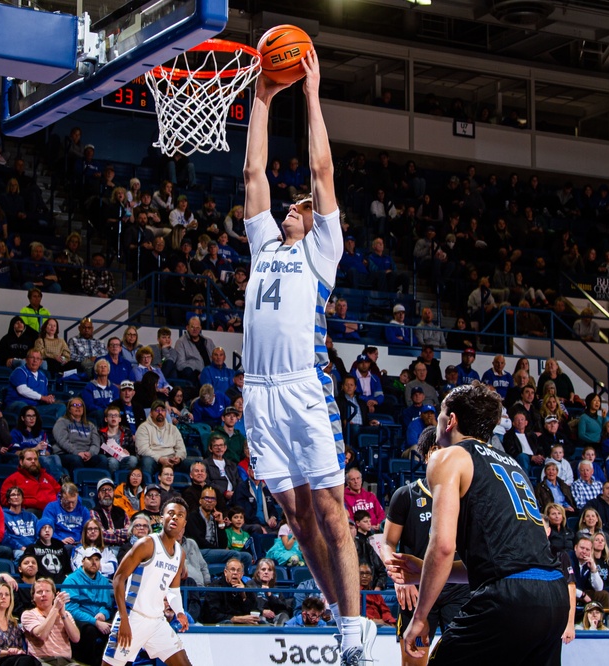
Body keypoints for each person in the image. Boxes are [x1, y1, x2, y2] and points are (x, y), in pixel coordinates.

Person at [241, 49, 376, 666]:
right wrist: (263, 100)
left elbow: (321, 170)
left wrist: (313, 92)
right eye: (289, 205)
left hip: (301, 385)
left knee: (329, 508)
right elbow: (253, 175)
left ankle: (354, 630)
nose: (294, 206)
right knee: (295, 516)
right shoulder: (264, 242)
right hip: (258, 389)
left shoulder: (321, 250)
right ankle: (345, 626)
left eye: (302, 206)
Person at [387, 383, 569, 664]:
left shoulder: (448, 456)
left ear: (451, 420)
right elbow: (502, 562)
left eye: (439, 415)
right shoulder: (512, 464)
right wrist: (424, 570)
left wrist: (420, 617)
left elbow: (443, 546)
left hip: (509, 597)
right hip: (553, 596)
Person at [382, 432, 470, 666]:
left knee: (462, 657)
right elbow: (387, 543)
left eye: (447, 450)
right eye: (436, 450)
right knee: (414, 659)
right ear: (425, 455)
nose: (442, 455)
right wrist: (400, 579)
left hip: (459, 589)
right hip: (418, 590)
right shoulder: (406, 495)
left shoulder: (467, 496)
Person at [102, 498, 193, 666]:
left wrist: (179, 611)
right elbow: (118, 578)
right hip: (133, 617)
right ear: (161, 517)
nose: (174, 518)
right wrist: (123, 619)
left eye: (179, 516)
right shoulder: (147, 544)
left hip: (157, 621)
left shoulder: (180, 554)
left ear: (184, 523)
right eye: (171, 514)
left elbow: (173, 590)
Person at [63, 548, 113, 665]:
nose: (94, 562)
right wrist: (94, 621)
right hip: (80, 619)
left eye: (97, 559)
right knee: (89, 631)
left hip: (98, 618)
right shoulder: (71, 580)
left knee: (115, 629)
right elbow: (71, 609)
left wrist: (103, 614)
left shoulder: (104, 581)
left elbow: (107, 606)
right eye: (90, 559)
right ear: (82, 561)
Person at [21, 579, 81, 666]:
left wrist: (63, 614)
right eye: (39, 592)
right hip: (42, 661)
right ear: (33, 597)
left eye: (47, 591)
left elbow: (76, 638)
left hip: (67, 661)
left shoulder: (66, 614)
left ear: (54, 595)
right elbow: (41, 635)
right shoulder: (28, 615)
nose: (44, 594)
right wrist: (55, 608)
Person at [0, 449, 60, 514]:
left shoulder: (47, 476)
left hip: (53, 510)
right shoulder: (13, 479)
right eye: (29, 459)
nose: (33, 461)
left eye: (35, 459)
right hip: (31, 512)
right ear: (21, 462)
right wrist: (31, 502)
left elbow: (60, 492)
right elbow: (5, 499)